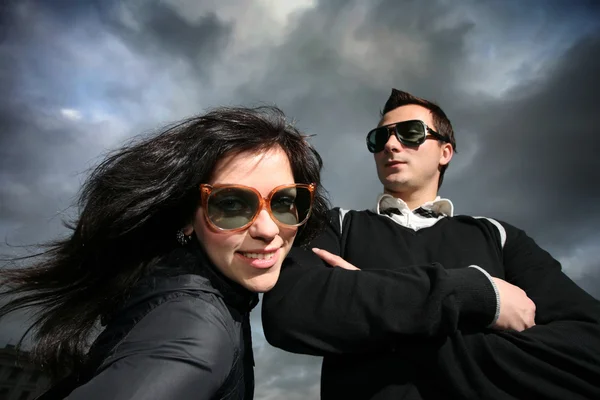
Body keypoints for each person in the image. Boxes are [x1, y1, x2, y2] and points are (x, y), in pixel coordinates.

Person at [262, 89, 600, 399]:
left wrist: (371, 302)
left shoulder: (498, 235)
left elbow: (588, 349)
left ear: (445, 151)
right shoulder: (338, 224)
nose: (391, 146)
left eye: (410, 133)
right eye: (379, 138)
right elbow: (288, 310)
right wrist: (477, 294)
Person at [0, 106, 329, 399]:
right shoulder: (196, 331)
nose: (269, 230)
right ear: (187, 219)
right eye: (231, 204)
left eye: (285, 202)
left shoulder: (183, 293)